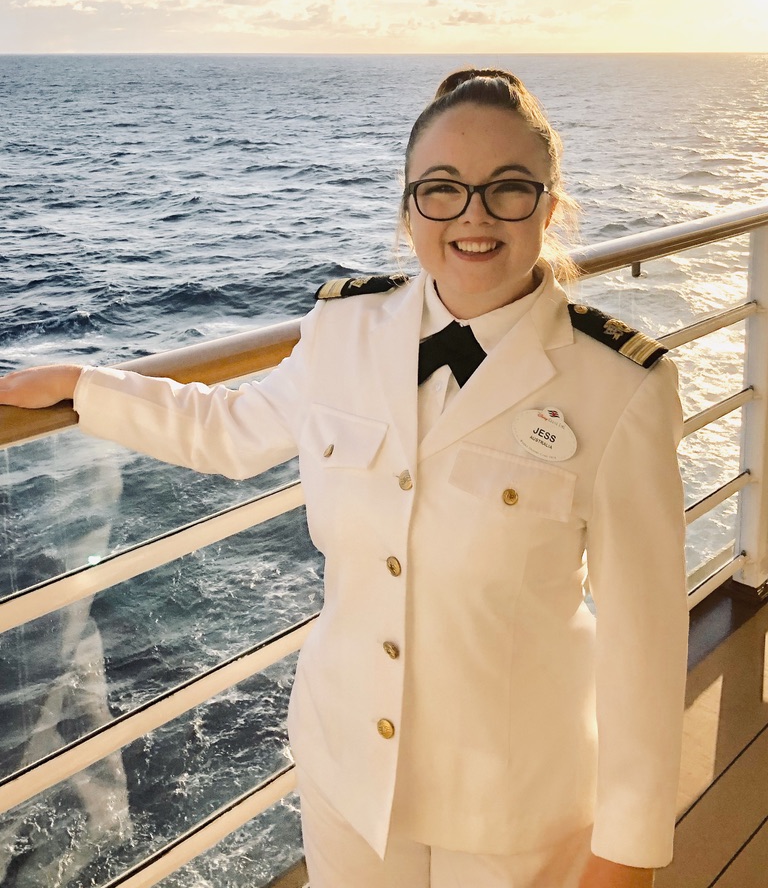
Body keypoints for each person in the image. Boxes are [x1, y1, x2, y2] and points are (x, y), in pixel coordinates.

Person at [0, 68, 689, 888]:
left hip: (515, 802)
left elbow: (643, 638)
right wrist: (85, 386)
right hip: (349, 773)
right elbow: (227, 430)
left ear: (549, 203)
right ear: (407, 210)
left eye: (508, 189)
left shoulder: (619, 387)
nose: (472, 215)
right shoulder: (346, 330)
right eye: (441, 189)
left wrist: (629, 849)